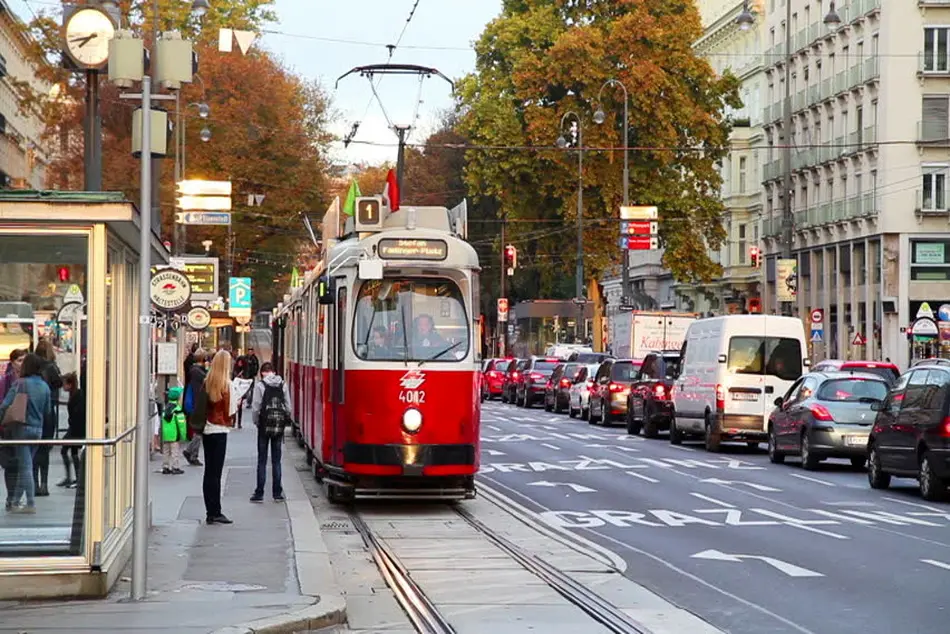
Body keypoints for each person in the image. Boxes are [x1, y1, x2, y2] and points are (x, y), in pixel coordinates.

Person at [0, 354, 51, 514]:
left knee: (26, 466)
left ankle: (30, 502)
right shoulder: (44, 386)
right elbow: (47, 410)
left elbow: (5, 404)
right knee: (26, 466)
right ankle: (15, 501)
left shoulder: (20, 383)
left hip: (21, 428)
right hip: (38, 429)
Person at [201, 350, 235, 525]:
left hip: (207, 430)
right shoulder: (227, 385)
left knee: (209, 472)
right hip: (220, 431)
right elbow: (231, 411)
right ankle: (216, 512)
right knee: (217, 473)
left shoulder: (207, 382)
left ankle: (210, 511)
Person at [249, 362, 292, 503]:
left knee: (262, 460)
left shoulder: (260, 385)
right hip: (278, 427)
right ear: (274, 371)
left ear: (262, 372)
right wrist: (284, 420)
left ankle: (259, 493)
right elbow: (288, 407)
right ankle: (277, 493)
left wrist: (256, 422)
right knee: (276, 461)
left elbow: (256, 408)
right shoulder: (283, 384)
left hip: (264, 426)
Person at [33, 340, 62, 497]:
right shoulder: (51, 367)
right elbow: (58, 383)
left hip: (32, 411)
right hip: (48, 410)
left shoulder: (32, 367)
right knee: (44, 449)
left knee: (33, 449)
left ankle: (35, 484)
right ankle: (44, 484)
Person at [0, 349, 26, 508]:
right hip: (8, 426)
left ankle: (16, 496)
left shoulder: (27, 380)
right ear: (12, 361)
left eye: (24, 360)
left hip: (23, 426)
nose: (21, 364)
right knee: (11, 464)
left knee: (23, 463)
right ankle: (11, 496)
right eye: (19, 360)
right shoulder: (6, 380)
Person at [58, 372, 85, 488]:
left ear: (70, 384)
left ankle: (75, 478)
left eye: (64, 384)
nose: (63, 387)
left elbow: (77, 414)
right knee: (69, 451)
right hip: (75, 428)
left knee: (69, 450)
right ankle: (74, 477)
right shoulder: (76, 395)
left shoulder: (77, 396)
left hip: (76, 429)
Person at [183, 349, 209, 466]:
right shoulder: (198, 373)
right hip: (198, 404)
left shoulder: (194, 371)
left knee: (199, 430)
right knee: (199, 430)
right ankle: (191, 452)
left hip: (195, 403)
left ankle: (192, 453)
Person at [160, 386, 187, 475]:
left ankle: (165, 467)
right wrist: (183, 435)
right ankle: (175, 467)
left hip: (165, 434)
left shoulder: (165, 408)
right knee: (174, 452)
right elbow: (181, 425)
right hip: (174, 435)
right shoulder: (177, 410)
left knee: (166, 451)